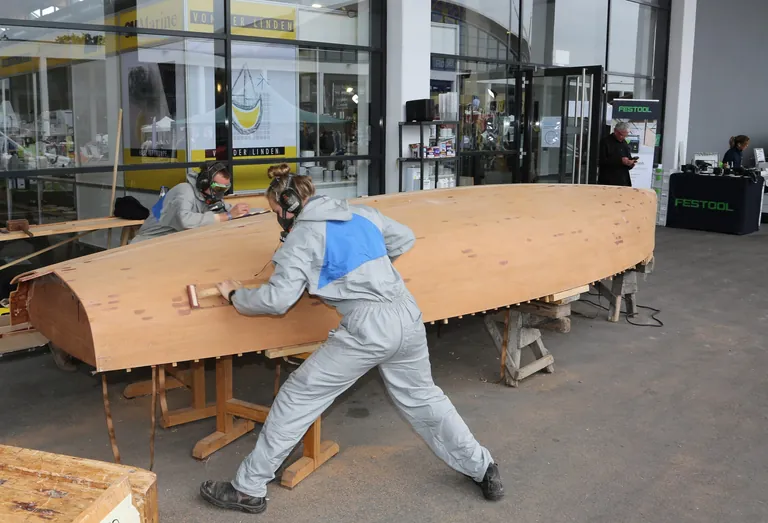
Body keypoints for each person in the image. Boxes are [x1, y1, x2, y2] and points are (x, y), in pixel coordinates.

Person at [199, 164, 504, 515]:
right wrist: (366, 275)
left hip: (369, 325)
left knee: (298, 397)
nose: (277, 220)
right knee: (424, 398)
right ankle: (483, 467)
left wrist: (236, 295)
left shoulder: (302, 238)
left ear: (288, 204)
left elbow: (276, 300)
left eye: (275, 212)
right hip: (405, 310)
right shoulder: (360, 213)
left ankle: (248, 489)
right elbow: (403, 237)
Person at [131, 161, 250, 243]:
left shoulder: (207, 195)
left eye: (224, 189)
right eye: (218, 188)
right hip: (148, 242)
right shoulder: (184, 190)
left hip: (172, 242)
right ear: (204, 182)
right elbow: (185, 221)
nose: (220, 193)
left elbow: (225, 209)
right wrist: (227, 216)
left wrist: (245, 213)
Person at [598, 122, 636, 187]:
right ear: (615, 131)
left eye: (625, 135)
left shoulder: (624, 142)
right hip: (609, 181)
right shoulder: (605, 142)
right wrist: (620, 161)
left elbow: (628, 157)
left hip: (624, 180)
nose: (623, 137)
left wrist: (630, 163)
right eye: (621, 135)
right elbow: (601, 161)